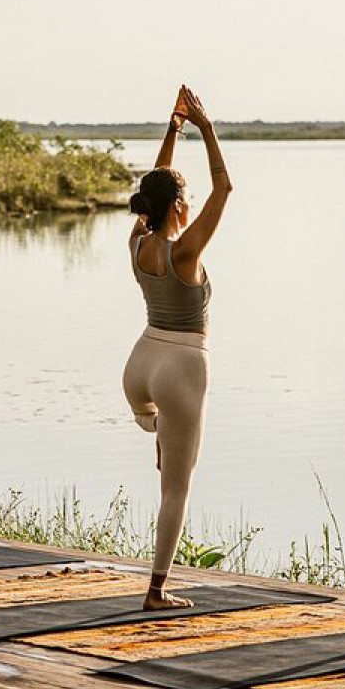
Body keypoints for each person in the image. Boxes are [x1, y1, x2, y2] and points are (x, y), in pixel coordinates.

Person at [122, 86, 232, 610]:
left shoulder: (138, 242)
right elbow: (225, 187)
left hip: (140, 363)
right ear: (179, 207)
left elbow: (157, 182)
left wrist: (173, 130)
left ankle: (160, 429)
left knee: (164, 432)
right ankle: (157, 590)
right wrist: (206, 128)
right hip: (181, 366)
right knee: (176, 488)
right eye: (183, 199)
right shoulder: (185, 251)